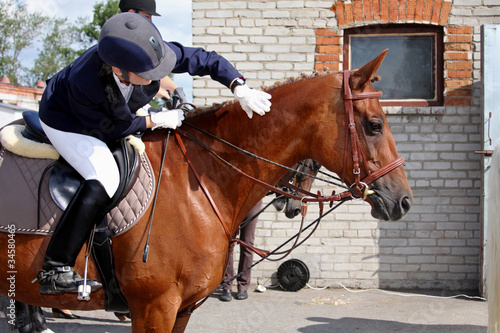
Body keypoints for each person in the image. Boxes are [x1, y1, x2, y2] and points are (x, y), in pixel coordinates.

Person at [34, 12, 271, 295]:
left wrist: (239, 86)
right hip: (67, 122)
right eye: (149, 75)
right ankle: (56, 267)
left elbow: (202, 59)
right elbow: (110, 129)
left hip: (106, 115)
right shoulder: (85, 82)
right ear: (118, 69)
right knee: (104, 176)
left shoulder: (147, 54)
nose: (159, 76)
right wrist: (153, 120)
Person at [119, 0, 188, 109]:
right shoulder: (121, 44)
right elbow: (138, 79)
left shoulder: (140, 42)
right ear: (132, 13)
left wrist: (175, 89)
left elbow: (153, 73)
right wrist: (163, 94)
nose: (151, 22)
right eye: (147, 17)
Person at [220, 201, 262, 301]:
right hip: (232, 201)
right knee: (229, 243)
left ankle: (243, 286)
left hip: (252, 202)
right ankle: (227, 285)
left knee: (247, 243)